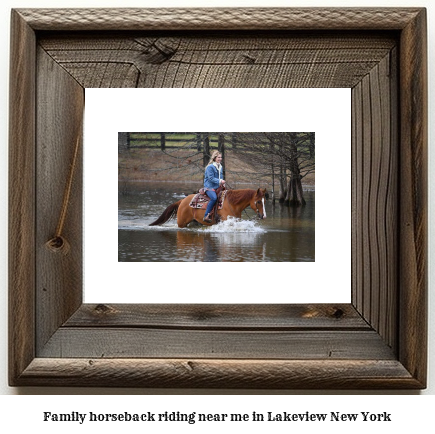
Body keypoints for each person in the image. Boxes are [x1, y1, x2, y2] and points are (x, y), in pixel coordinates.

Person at [203, 150, 225, 222]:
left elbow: (220, 177)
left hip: (217, 187)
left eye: (221, 157)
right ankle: (206, 215)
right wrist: (220, 181)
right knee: (214, 198)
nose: (220, 159)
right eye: (218, 157)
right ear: (215, 158)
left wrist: (222, 183)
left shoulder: (220, 167)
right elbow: (211, 178)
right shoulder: (210, 167)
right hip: (209, 187)